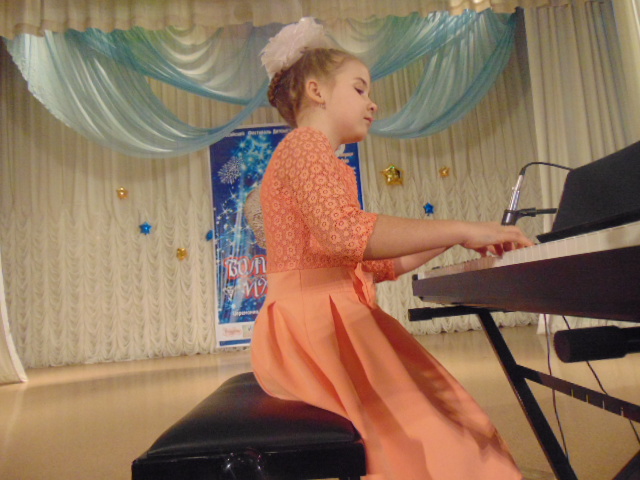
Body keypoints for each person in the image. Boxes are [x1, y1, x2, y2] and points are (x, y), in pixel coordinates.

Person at [250, 17, 534, 480]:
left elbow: (379, 264)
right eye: (360, 88)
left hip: (321, 316)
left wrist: (456, 237)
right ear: (318, 91)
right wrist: (463, 227)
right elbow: (346, 234)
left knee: (446, 416)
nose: (373, 103)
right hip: (314, 327)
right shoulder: (304, 146)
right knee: (438, 434)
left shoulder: (315, 157)